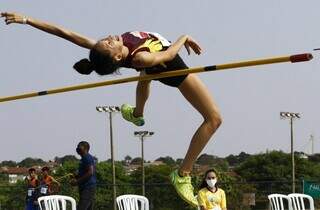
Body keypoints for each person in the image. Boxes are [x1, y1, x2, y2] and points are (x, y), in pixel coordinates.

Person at [0, 12, 222, 207]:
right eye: (107, 44)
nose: (107, 38)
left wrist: (27, 20)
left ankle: (136, 114)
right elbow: (169, 55)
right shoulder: (141, 57)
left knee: (145, 78)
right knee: (213, 119)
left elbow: (65, 33)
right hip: (174, 70)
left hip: (150, 68)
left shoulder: (118, 50)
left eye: (105, 41)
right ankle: (182, 173)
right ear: (116, 56)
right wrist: (184, 37)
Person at [71, 141, 96, 210]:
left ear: (86, 148)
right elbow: (85, 173)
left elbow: (90, 172)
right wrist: (76, 176)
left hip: (88, 188)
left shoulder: (87, 157)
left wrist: (77, 182)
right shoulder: (83, 158)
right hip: (85, 188)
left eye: (80, 147)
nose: (77, 148)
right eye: (77, 147)